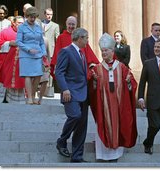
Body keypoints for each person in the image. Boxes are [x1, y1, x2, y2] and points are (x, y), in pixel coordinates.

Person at [89, 33, 137, 162]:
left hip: (118, 106)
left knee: (118, 125)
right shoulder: (97, 69)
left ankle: (115, 155)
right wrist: (93, 82)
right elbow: (92, 91)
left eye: (106, 50)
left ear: (112, 51)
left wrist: (128, 82)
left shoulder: (122, 67)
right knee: (103, 124)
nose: (103, 53)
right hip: (103, 107)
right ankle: (103, 155)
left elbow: (132, 84)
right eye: (102, 50)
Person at [55, 28, 89, 163]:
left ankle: (77, 157)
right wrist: (65, 89)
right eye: (86, 38)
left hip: (84, 94)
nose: (87, 41)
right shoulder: (66, 51)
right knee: (75, 116)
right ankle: (61, 141)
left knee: (82, 126)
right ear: (79, 38)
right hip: (71, 93)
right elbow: (59, 72)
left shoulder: (83, 53)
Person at [16, 7, 47, 105]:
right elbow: (18, 42)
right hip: (25, 55)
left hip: (38, 55)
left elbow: (42, 42)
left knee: (38, 75)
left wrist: (44, 52)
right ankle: (29, 97)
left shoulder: (38, 27)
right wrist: (28, 49)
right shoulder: (21, 27)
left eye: (34, 17)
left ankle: (33, 95)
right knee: (28, 76)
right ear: (26, 16)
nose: (32, 19)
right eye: (30, 17)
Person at [0, 16, 25, 103]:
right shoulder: (5, 32)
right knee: (5, 78)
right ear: (13, 23)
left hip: (21, 63)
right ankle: (3, 98)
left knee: (19, 79)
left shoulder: (25, 33)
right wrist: (9, 43)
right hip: (6, 62)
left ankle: (17, 100)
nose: (21, 25)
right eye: (19, 23)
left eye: (23, 23)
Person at [0, 5, 11, 95]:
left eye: (3, 13)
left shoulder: (8, 22)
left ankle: (1, 83)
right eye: (0, 13)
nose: (2, 15)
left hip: (5, 44)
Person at [41, 8, 60, 97]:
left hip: (51, 51)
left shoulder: (55, 25)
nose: (49, 16)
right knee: (40, 70)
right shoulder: (39, 24)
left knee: (49, 70)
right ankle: (40, 89)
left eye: (51, 15)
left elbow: (58, 39)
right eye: (48, 14)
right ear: (44, 14)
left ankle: (49, 91)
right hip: (40, 50)